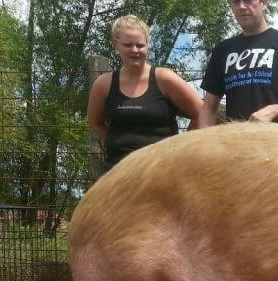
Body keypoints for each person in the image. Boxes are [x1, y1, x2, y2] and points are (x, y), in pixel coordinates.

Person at [87, 15, 204, 172]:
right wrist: (114, 141)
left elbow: (201, 112)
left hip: (161, 169)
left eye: (140, 45)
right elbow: (95, 121)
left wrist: (180, 147)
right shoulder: (104, 84)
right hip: (117, 168)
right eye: (128, 45)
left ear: (147, 45)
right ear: (115, 45)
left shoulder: (165, 78)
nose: (135, 50)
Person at [199, 0, 278, 127]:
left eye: (248, 0)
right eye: (235, 2)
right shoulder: (222, 50)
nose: (241, 6)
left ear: (264, 3)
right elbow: (208, 108)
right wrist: (202, 143)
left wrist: (273, 111)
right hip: (236, 144)